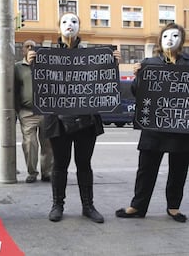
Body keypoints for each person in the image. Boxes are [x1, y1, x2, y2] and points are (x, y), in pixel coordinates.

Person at [44, 13, 120, 223]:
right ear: (58, 28)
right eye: (65, 21)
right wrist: (35, 65)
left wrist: (113, 64)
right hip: (58, 120)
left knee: (84, 163)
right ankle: (57, 204)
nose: (70, 25)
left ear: (80, 27)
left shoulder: (94, 56)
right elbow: (41, 86)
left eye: (74, 21)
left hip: (86, 119)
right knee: (60, 164)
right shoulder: (46, 56)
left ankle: (88, 205)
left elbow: (105, 82)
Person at [115, 23, 189, 223]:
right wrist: (138, 76)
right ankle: (138, 206)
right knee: (146, 169)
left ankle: (173, 207)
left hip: (181, 128)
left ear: (181, 41)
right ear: (160, 40)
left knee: (179, 170)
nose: (170, 40)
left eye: (175, 36)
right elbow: (136, 93)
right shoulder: (149, 63)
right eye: (166, 36)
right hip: (153, 127)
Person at [14, 40, 54, 183]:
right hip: (27, 112)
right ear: (23, 50)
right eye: (27, 46)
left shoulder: (46, 65)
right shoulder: (17, 67)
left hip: (45, 110)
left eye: (33, 46)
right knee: (30, 143)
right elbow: (14, 89)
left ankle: (47, 172)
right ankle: (32, 172)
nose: (30, 48)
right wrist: (17, 110)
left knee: (48, 143)